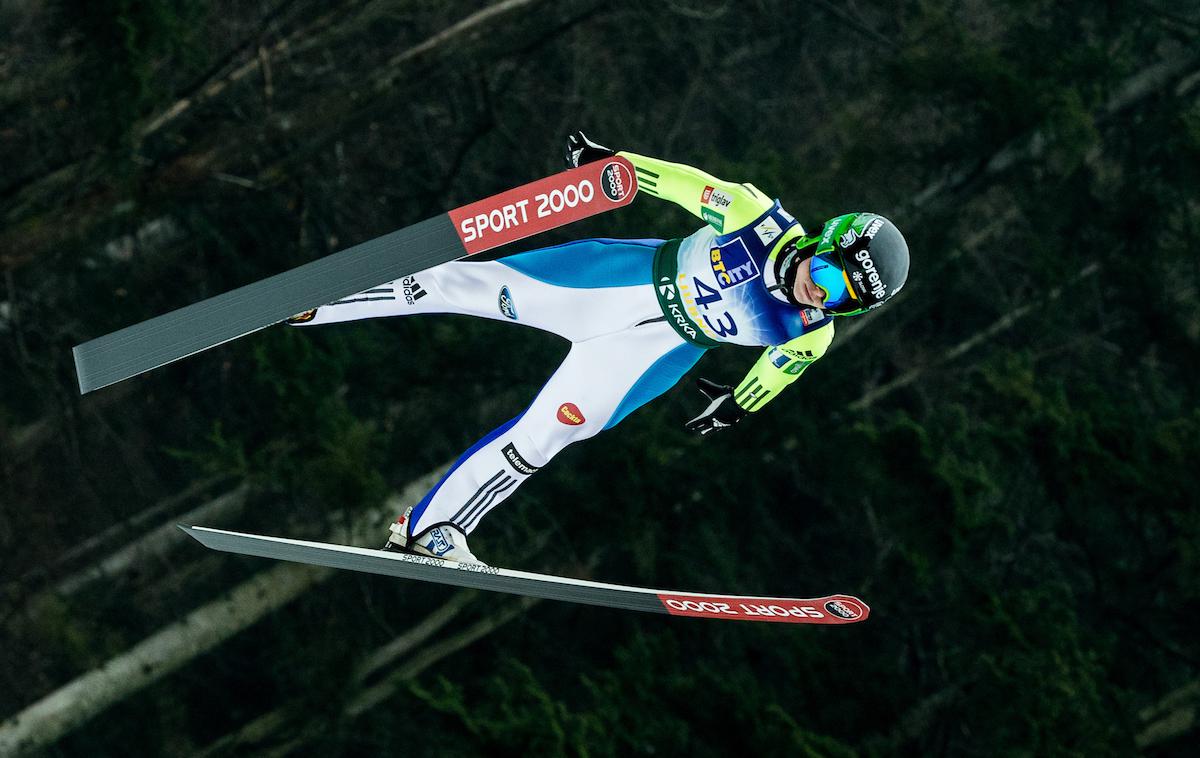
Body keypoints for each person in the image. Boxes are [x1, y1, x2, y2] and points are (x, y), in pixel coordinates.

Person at [287, 132, 910, 564]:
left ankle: (433, 530)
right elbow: (686, 185)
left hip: (657, 354)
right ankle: (323, 300)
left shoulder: (812, 329)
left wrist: (737, 404)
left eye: (843, 298)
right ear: (826, 241)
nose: (821, 293)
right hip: (616, 283)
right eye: (829, 274)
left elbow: (780, 370)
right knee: (473, 284)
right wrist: (610, 168)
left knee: (550, 435)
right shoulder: (756, 218)